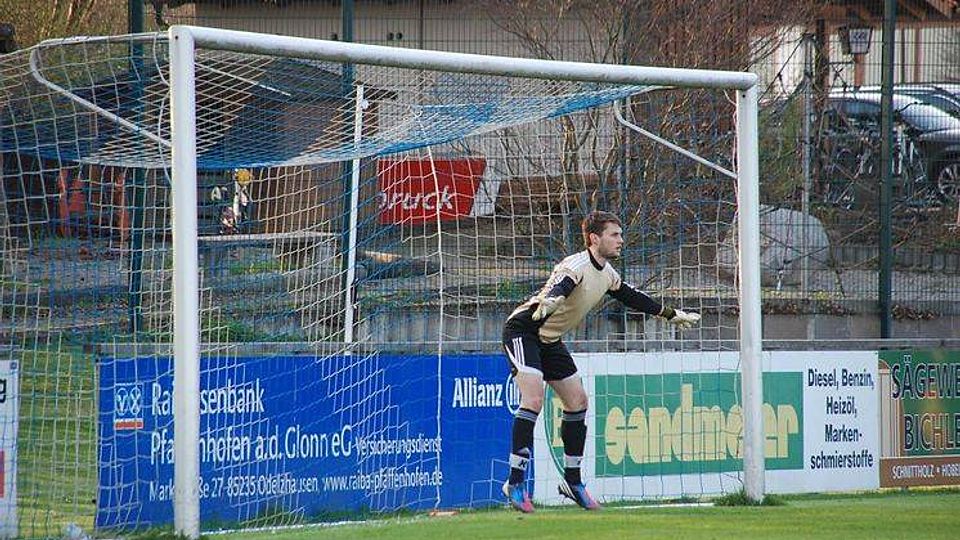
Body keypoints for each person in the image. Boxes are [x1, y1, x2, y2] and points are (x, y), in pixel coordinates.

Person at [500, 210, 700, 513]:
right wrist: (552, 298)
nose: (621, 240)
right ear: (595, 238)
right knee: (534, 399)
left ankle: (572, 482)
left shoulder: (607, 273)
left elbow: (632, 296)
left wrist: (670, 314)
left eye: (620, 234)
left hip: (550, 340)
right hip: (524, 330)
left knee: (578, 401)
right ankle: (515, 482)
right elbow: (562, 285)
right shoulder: (575, 265)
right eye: (614, 235)